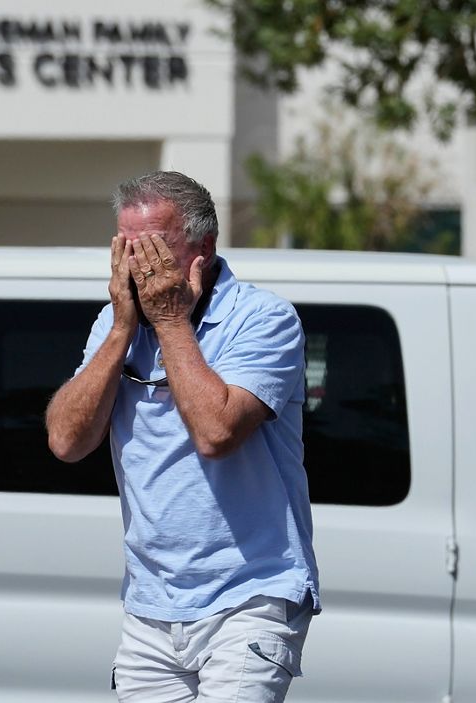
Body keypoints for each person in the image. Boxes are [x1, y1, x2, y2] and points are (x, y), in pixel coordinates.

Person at [45, 171, 319, 702]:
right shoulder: (115, 323)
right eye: (127, 249)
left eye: (154, 250)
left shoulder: (263, 319)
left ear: (204, 248)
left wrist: (171, 322)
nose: (139, 267)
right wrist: (122, 329)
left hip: (249, 595)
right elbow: (66, 441)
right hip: (150, 605)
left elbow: (217, 432)